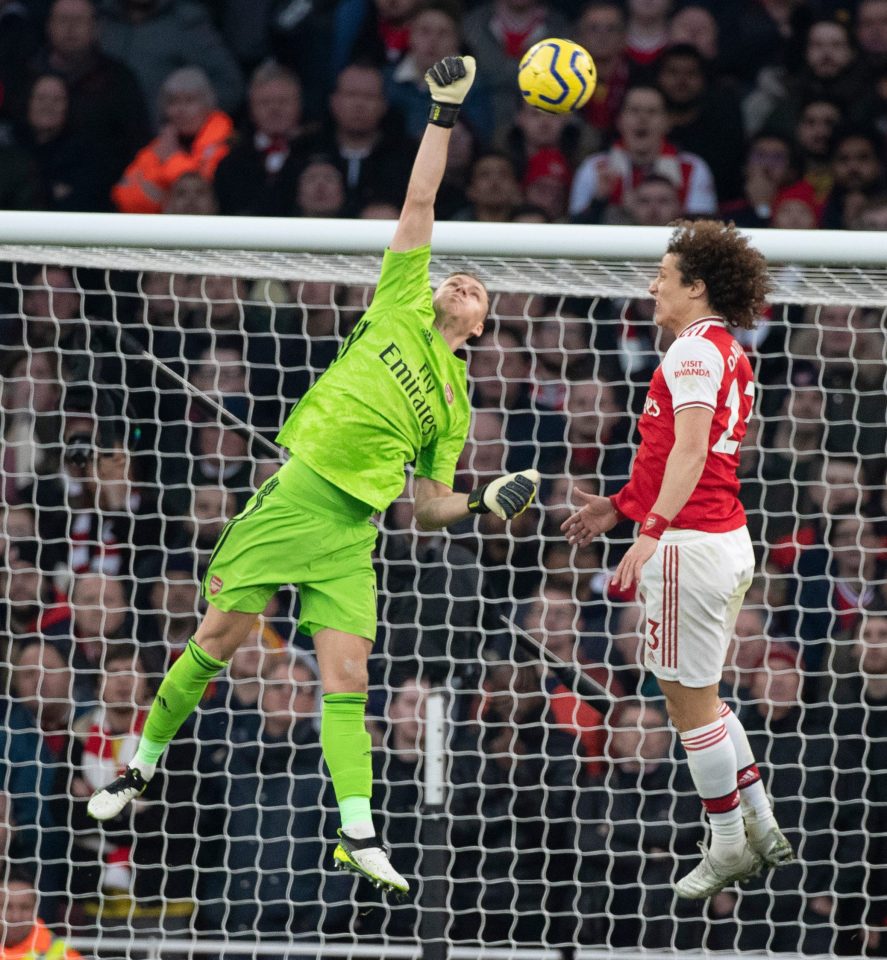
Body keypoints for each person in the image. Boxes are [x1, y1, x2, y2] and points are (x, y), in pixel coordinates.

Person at [87, 54, 540, 897]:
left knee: (348, 680)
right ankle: (139, 767)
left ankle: (356, 831)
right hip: (297, 495)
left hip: (352, 533)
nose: (468, 285)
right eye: (463, 279)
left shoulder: (455, 403)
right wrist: (441, 115)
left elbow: (431, 505)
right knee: (216, 642)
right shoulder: (402, 298)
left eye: (482, 294)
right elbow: (418, 203)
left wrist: (481, 499)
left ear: (477, 329)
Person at [562, 220, 793, 899]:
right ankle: (760, 822)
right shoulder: (722, 348)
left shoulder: (690, 354)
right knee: (706, 700)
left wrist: (648, 531)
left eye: (663, 276)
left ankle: (725, 845)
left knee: (686, 707)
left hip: (688, 545)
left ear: (695, 287)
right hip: (719, 539)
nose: (652, 285)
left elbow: (690, 454)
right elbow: (673, 455)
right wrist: (620, 505)